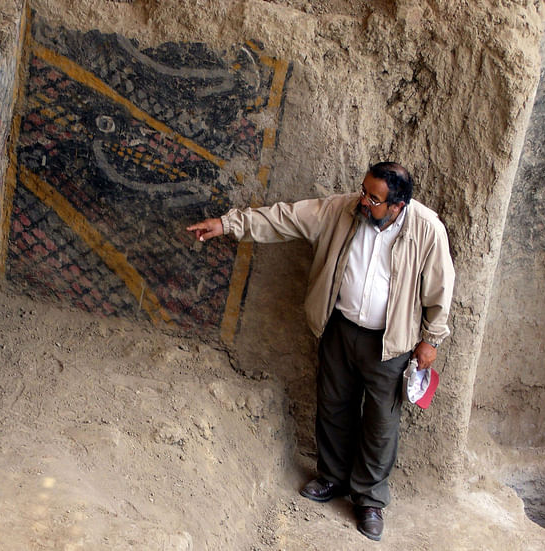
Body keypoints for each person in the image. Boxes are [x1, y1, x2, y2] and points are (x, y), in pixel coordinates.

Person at [186, 162, 455, 541]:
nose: (363, 201)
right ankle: (331, 478)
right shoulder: (341, 210)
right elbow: (285, 218)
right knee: (333, 406)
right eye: (363, 191)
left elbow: (440, 289)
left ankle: (369, 500)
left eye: (374, 199)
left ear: (397, 205)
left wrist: (431, 340)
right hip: (340, 328)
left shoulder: (427, 229)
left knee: (381, 423)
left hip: (389, 341)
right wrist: (228, 224)